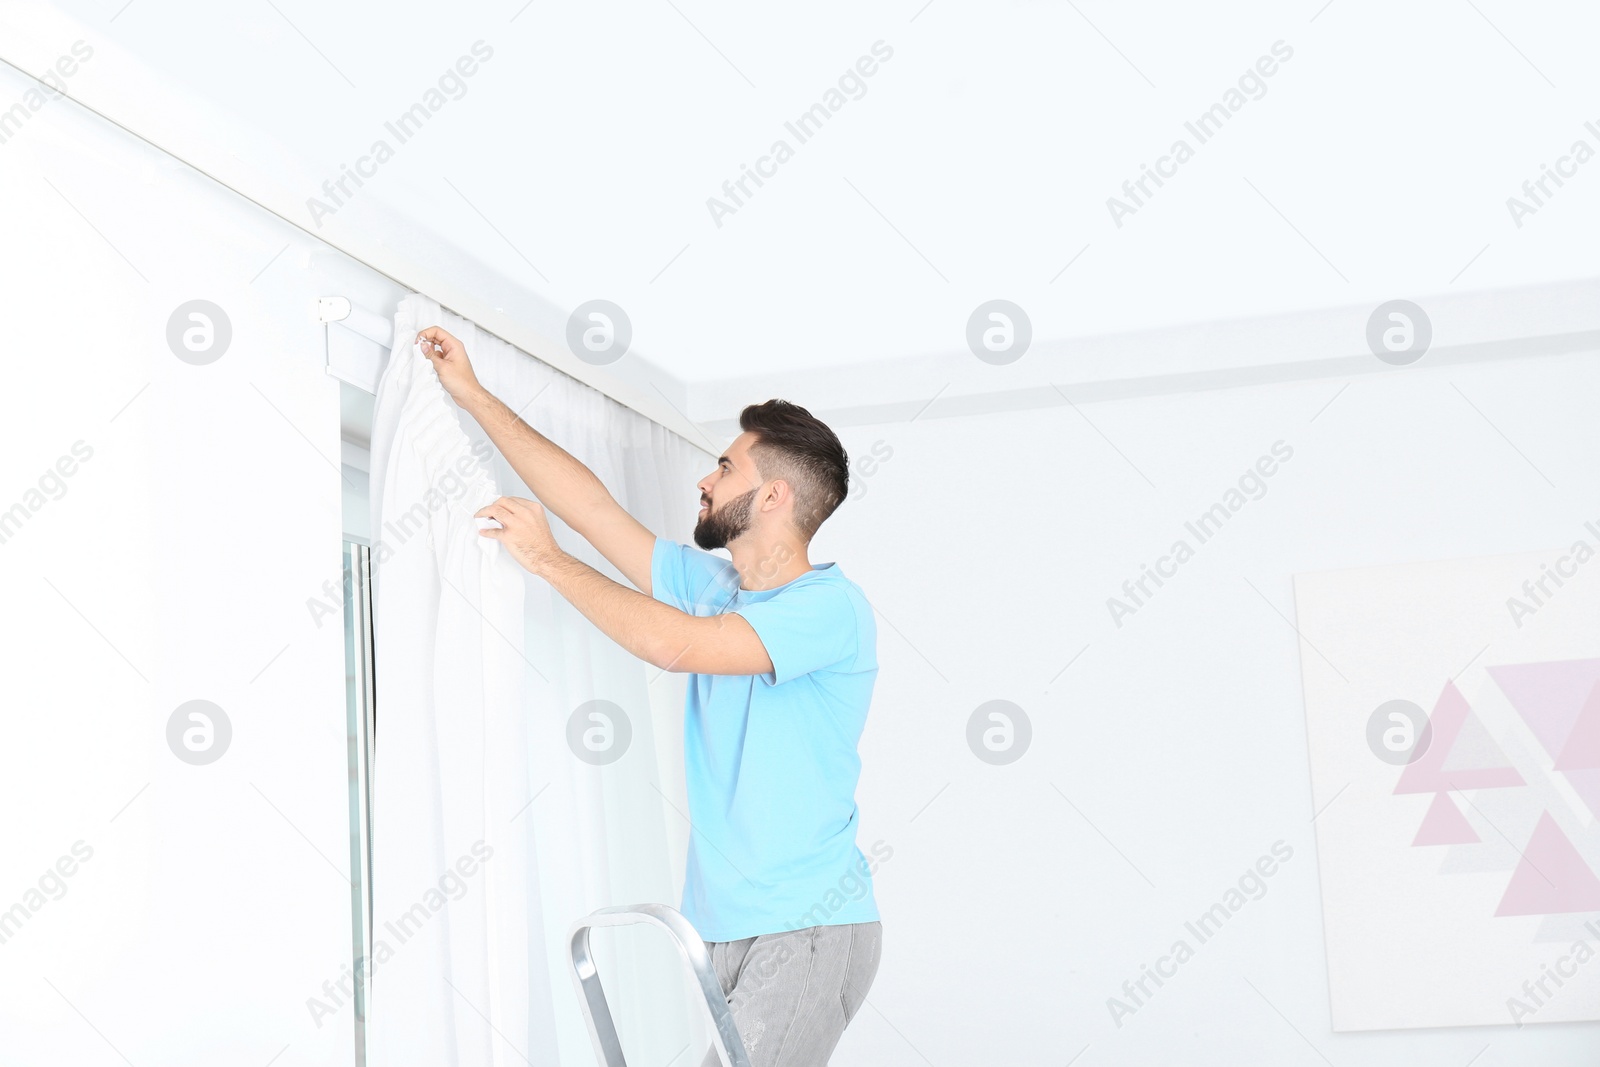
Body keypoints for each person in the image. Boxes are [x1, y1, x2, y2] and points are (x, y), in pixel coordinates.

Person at [415, 326, 884, 1066]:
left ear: (773, 495)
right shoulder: (716, 588)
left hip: (807, 925)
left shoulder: (829, 609)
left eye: (724, 467)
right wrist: (472, 394)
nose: (704, 480)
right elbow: (594, 511)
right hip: (725, 928)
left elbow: (672, 645)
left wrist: (546, 561)